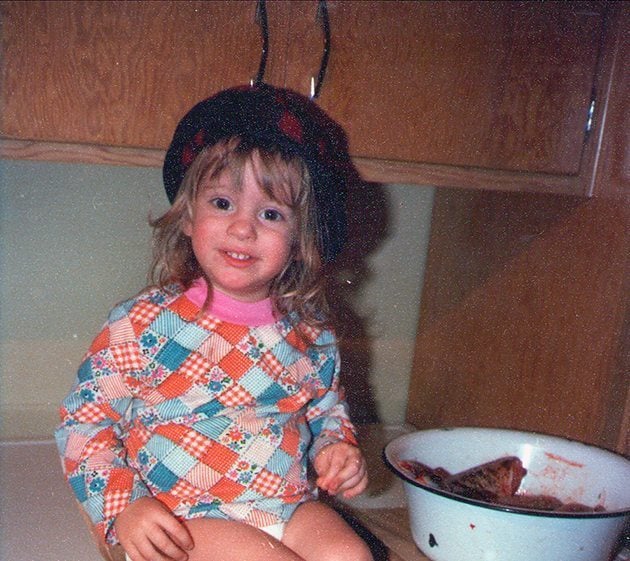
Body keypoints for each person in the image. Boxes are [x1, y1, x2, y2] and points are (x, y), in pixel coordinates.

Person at [55, 84, 373, 561]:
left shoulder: (311, 331)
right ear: (187, 216)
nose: (243, 228)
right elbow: (85, 421)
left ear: (300, 236)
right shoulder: (145, 324)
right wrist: (124, 506)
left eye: (271, 213)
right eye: (223, 203)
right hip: (183, 518)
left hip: (287, 506)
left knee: (352, 556)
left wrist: (337, 449)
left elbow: (326, 412)